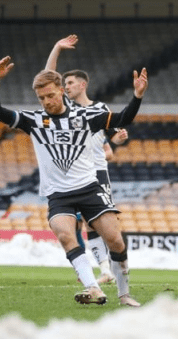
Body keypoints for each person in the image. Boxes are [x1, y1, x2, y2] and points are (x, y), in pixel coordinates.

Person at [0, 56, 147, 306]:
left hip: (89, 189)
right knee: (65, 236)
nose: (47, 102)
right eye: (41, 98)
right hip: (59, 195)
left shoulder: (86, 115)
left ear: (61, 90)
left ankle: (124, 293)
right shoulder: (35, 121)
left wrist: (137, 96)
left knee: (115, 239)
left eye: (50, 95)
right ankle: (92, 288)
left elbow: (122, 118)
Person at [45, 34, 130, 286]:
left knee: (101, 226)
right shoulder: (66, 111)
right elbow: (48, 78)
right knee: (80, 225)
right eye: (64, 83)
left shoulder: (100, 110)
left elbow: (112, 142)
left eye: (70, 83)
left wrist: (119, 139)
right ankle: (104, 269)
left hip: (96, 173)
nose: (66, 87)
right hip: (72, 175)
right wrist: (56, 48)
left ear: (82, 85)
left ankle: (115, 269)